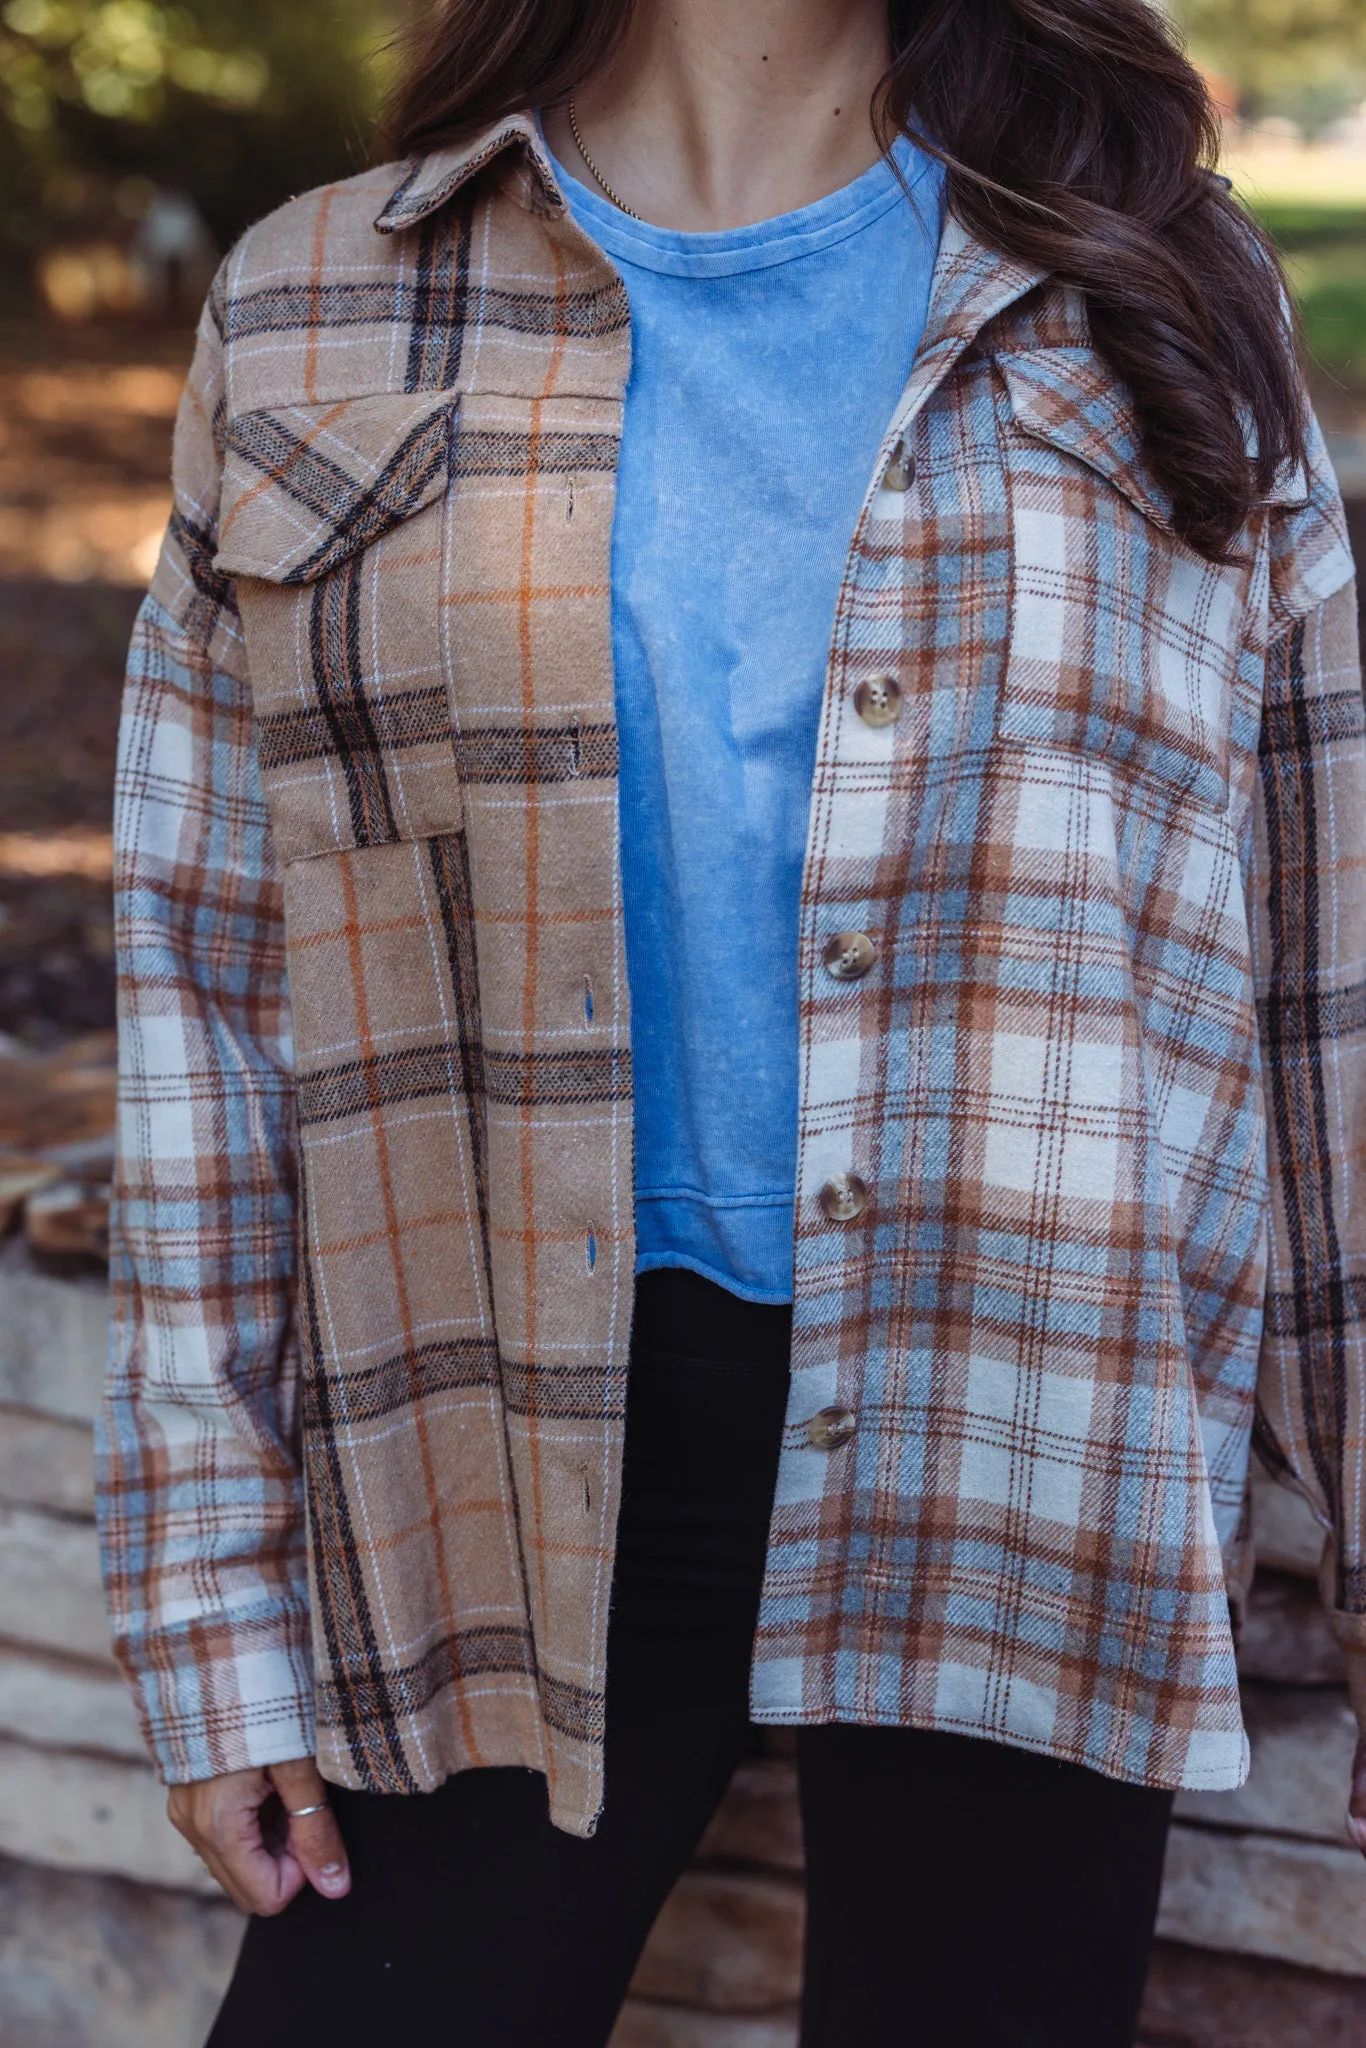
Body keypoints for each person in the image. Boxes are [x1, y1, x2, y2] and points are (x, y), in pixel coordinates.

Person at [96, 0, 1366, 2041]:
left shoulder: (1148, 285)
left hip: (1022, 1422)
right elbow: (205, 1001)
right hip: (497, 1455)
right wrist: (205, 1605)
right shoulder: (318, 299)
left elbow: (1325, 981)